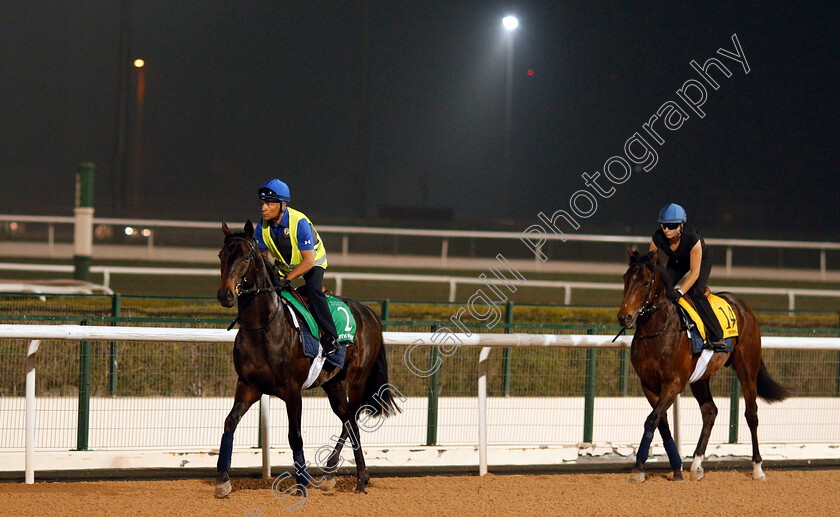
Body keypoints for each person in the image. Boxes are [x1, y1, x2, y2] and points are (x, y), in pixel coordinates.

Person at [255, 179, 339, 357]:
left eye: (269, 204)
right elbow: (263, 259)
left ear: (282, 205)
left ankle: (331, 337)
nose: (263, 208)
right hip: (285, 266)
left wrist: (286, 279)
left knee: (313, 290)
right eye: (262, 203)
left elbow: (308, 261)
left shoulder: (299, 222)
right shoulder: (260, 227)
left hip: (312, 262)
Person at [649, 203, 726, 349]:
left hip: (700, 260)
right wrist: (664, 283)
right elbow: (653, 262)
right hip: (678, 260)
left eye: (671, 226)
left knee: (695, 292)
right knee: (661, 290)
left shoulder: (692, 238)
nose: (666, 230)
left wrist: (679, 292)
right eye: (663, 225)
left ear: (681, 226)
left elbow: (694, 273)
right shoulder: (657, 237)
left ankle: (717, 335)